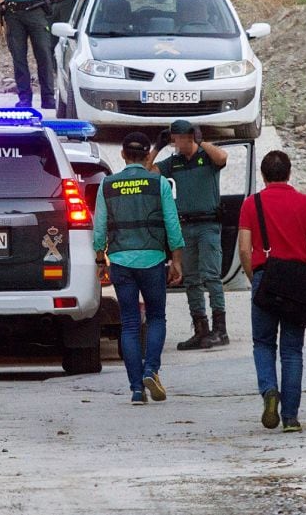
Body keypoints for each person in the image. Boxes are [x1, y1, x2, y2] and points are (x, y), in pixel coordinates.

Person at [93, 132, 184, 405]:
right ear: (147, 156)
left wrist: (100, 260)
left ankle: (136, 389)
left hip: (120, 261)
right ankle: (151, 370)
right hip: (153, 260)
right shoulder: (158, 183)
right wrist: (177, 259)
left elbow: (98, 229)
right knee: (156, 317)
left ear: (122, 154)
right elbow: (172, 224)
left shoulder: (107, 185)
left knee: (130, 324)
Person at [237, 150, 306, 433]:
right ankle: (291, 418)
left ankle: (269, 391)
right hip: (297, 280)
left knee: (262, 343)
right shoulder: (304, 203)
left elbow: (244, 249)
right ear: (289, 173)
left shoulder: (252, 204)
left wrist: (255, 278)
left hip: (265, 277)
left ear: (262, 176)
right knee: (292, 350)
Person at [148, 119, 230, 350]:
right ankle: (200, 328)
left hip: (208, 225)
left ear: (189, 137)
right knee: (191, 279)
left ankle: (220, 329)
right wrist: (157, 147)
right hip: (186, 226)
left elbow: (223, 158)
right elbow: (148, 172)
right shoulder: (174, 163)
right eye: (173, 140)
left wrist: (201, 142)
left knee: (211, 276)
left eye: (178, 139)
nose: (175, 144)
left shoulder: (207, 157)